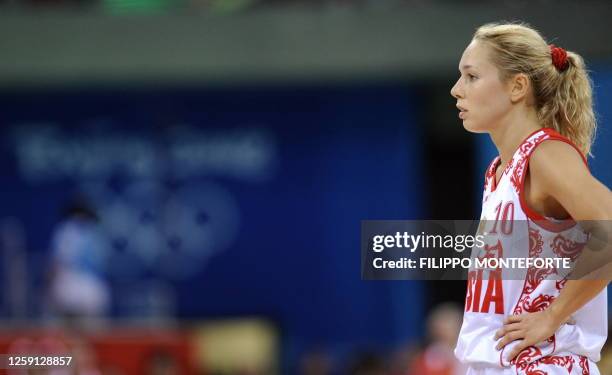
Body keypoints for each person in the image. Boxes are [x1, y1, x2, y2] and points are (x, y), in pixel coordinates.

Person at [450, 22, 612, 374]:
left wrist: (553, 315)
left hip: (544, 364)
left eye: (471, 76)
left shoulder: (545, 154)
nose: (456, 90)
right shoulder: (498, 171)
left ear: (518, 86)